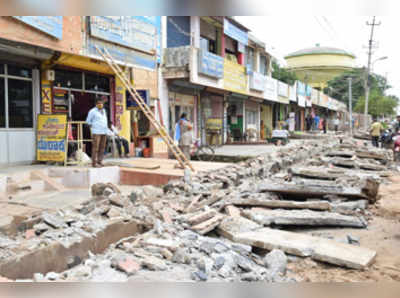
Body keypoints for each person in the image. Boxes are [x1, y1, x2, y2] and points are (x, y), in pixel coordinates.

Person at [86, 98, 108, 168]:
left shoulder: (104, 111)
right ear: (96, 104)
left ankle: (100, 161)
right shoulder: (92, 111)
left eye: (101, 103)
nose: (100, 104)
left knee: (102, 147)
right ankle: (94, 163)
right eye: (99, 103)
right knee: (95, 148)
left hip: (104, 131)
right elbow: (88, 121)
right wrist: (93, 127)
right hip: (96, 132)